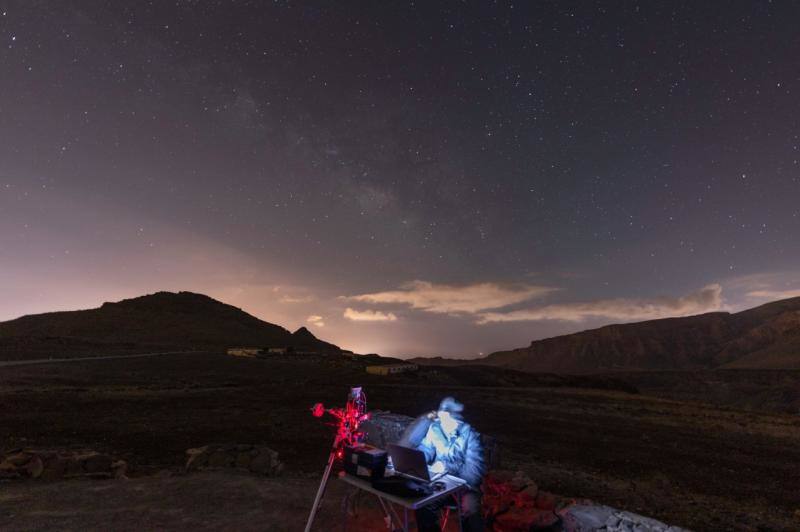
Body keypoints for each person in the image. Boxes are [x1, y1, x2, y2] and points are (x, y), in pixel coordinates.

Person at [399, 396, 485, 532]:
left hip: (464, 486)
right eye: (442, 419)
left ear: (457, 420)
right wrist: (420, 460)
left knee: (470, 508)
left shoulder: (470, 436)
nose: (444, 423)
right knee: (424, 505)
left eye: (448, 420)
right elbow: (426, 449)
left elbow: (474, 471)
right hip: (440, 485)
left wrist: (447, 471)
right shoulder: (436, 429)